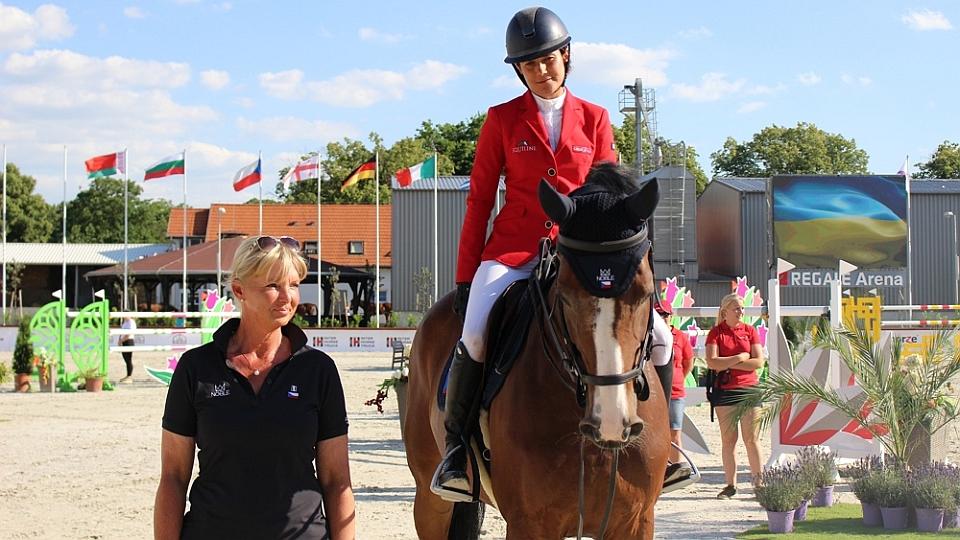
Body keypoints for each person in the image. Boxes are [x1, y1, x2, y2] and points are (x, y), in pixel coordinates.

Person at [434, 6, 676, 500]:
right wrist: (466, 274)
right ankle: (457, 451)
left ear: (566, 57)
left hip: (580, 253)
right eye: (530, 64)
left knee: (664, 339)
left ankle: (668, 447)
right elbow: (480, 198)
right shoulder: (501, 120)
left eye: (548, 60)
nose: (541, 71)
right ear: (519, 70)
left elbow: (611, 198)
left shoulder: (596, 118)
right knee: (476, 329)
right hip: (514, 248)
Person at [154, 236, 355, 539]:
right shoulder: (196, 368)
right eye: (273, 286)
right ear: (239, 290)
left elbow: (337, 481)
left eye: (294, 284)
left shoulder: (318, 370)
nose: (287, 297)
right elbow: (173, 477)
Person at [705, 293, 764, 499]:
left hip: (749, 389)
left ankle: (759, 483)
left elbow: (758, 362)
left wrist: (727, 362)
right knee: (729, 440)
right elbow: (712, 362)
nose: (741, 312)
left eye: (742, 308)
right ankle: (731, 485)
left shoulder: (750, 330)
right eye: (737, 308)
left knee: (752, 439)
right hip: (725, 391)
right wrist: (739, 358)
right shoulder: (715, 333)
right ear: (725, 311)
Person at [118, 316, 136, 383]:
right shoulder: (125, 322)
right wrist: (120, 340)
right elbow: (122, 332)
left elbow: (129, 333)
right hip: (124, 341)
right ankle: (127, 375)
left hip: (129, 341)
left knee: (128, 359)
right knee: (126, 359)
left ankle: (129, 376)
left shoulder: (131, 322)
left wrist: (121, 340)